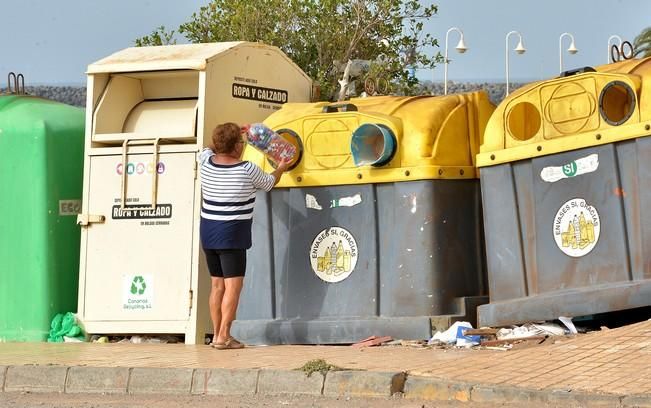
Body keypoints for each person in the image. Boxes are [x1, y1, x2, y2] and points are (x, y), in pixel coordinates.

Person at [199, 122, 290, 349]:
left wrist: (227, 136)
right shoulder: (246, 169)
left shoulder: (205, 163)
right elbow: (270, 183)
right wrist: (280, 166)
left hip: (209, 232)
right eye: (241, 142)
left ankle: (219, 334)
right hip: (232, 233)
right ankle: (223, 336)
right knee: (233, 287)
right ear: (236, 146)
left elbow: (207, 149)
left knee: (217, 285)